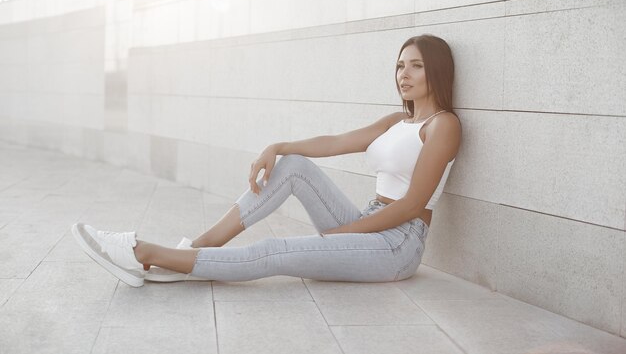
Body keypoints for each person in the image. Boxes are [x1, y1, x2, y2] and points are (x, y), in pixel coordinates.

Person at [72, 34, 462, 287]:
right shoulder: (398, 120)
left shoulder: (443, 126)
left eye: (415, 65)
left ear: (437, 72)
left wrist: (346, 234)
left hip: (398, 242)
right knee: (293, 164)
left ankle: (145, 253)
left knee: (273, 251)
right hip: (369, 220)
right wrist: (278, 145)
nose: (403, 74)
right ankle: (197, 247)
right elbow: (336, 142)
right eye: (399, 65)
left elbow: (413, 204)